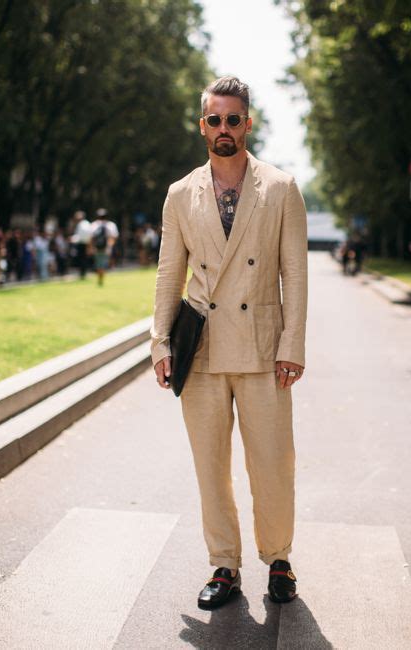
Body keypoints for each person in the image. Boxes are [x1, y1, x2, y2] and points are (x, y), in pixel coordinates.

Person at [151, 76, 308, 609]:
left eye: (233, 119)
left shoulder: (282, 187)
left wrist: (293, 344)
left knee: (272, 463)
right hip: (202, 348)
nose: (224, 128)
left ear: (248, 122)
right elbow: (169, 274)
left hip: (265, 350)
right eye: (214, 119)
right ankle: (224, 565)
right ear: (202, 126)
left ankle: (280, 560)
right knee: (210, 467)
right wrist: (160, 343)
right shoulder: (179, 194)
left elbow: (295, 274)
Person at [90, 208, 118, 286]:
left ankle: (100, 278)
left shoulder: (94, 225)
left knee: (98, 264)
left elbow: (91, 238)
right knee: (103, 264)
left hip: (97, 248)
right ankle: (101, 278)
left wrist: (91, 247)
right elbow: (114, 237)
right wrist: (109, 247)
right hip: (106, 248)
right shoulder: (111, 225)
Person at [71, 210, 92, 278]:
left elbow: (82, 237)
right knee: (83, 259)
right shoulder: (85, 223)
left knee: (82, 259)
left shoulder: (82, 224)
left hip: (83, 244)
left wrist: (73, 239)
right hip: (84, 243)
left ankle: (83, 274)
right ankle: (82, 273)